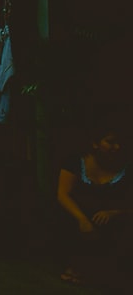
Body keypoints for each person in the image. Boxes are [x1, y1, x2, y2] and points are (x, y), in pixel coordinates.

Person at [57, 120, 133, 286]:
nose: (116, 147)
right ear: (95, 143)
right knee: (68, 218)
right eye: (111, 142)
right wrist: (82, 220)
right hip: (81, 219)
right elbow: (63, 194)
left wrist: (115, 213)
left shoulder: (127, 169)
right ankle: (74, 265)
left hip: (113, 224)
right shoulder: (76, 161)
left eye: (119, 143)